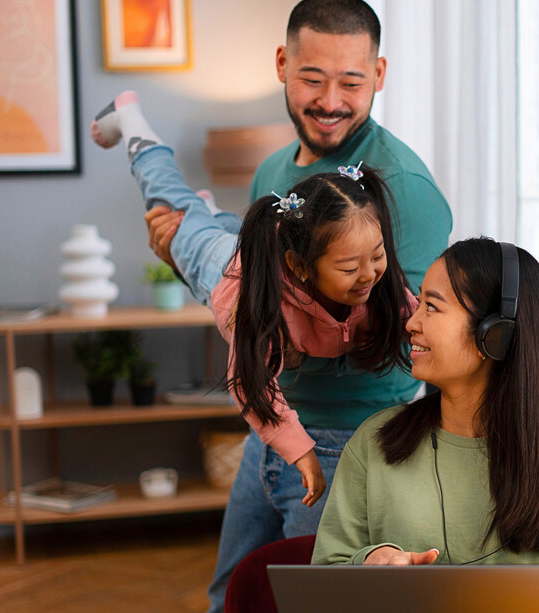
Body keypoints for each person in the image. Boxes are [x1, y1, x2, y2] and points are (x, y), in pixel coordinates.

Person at [134, 2, 452, 610]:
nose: (331, 99)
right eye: (313, 78)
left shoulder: (402, 189)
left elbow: (402, 339)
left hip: (341, 441)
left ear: (379, 76)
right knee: (230, 594)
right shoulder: (275, 172)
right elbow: (250, 297)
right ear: (282, 66)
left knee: (311, 600)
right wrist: (192, 266)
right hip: (270, 426)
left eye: (352, 82)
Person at [312, 238, 539, 611]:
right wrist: (369, 561)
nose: (411, 322)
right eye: (418, 304)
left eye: (431, 307)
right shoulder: (375, 442)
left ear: (494, 335)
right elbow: (323, 583)